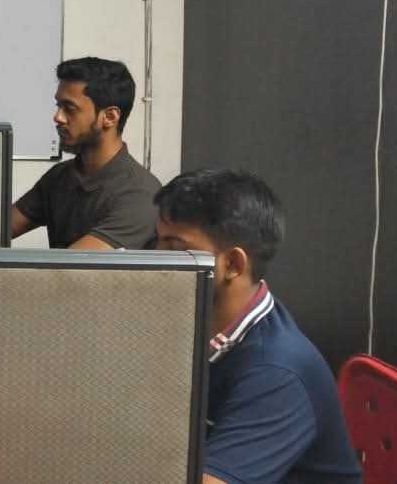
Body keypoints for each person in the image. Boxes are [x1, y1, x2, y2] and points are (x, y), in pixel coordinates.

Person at [154, 169, 361, 484]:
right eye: (157, 242)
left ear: (233, 265)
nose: (157, 260)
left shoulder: (278, 371)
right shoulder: (194, 323)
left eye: (174, 248)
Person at [11, 57, 162, 249]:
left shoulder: (139, 194)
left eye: (69, 108)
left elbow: (72, 265)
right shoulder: (59, 176)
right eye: (58, 106)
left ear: (109, 117)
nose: (58, 117)